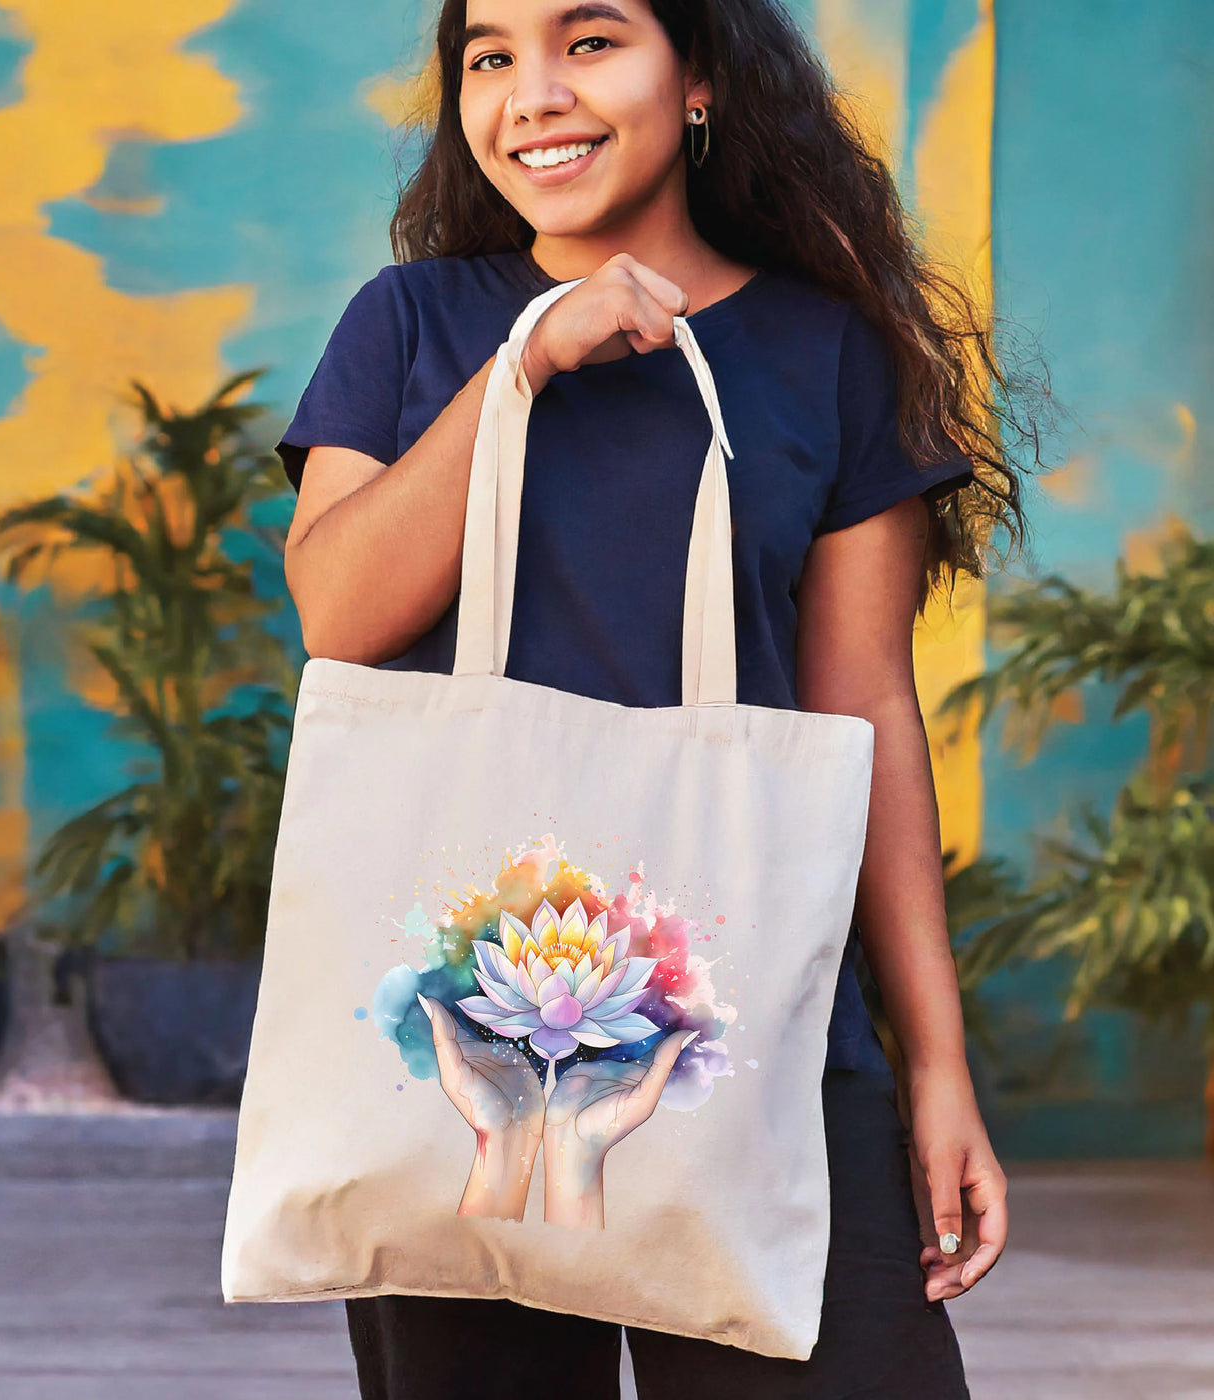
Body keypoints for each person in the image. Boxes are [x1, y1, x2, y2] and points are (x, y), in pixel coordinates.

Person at [276, 0, 1038, 1394]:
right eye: (490, 56)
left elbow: (863, 715)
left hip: (766, 1038)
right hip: (466, 1035)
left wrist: (937, 1069)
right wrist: (530, 358)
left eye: (589, 40)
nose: (532, 93)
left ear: (699, 80)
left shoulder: (825, 353)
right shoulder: (412, 324)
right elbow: (338, 608)